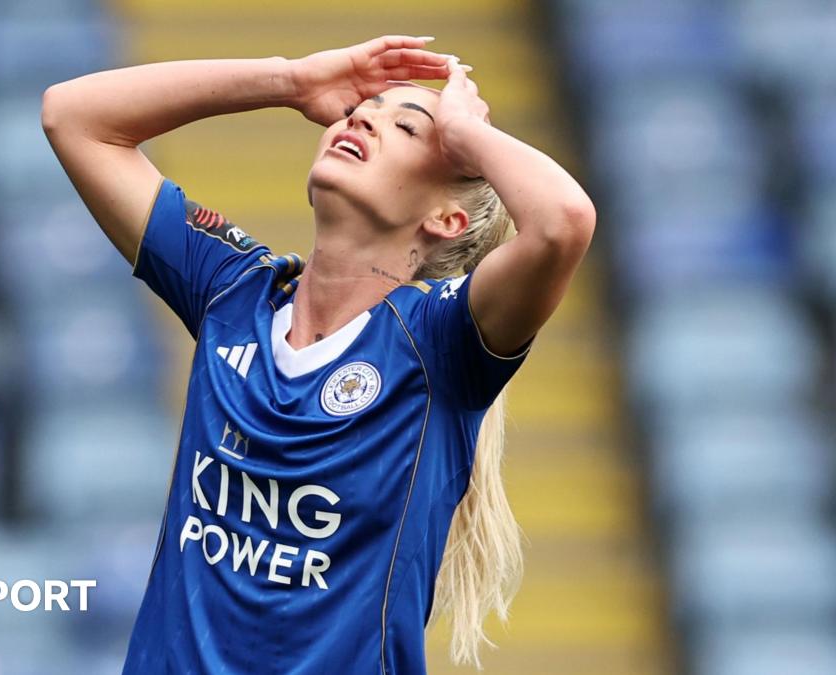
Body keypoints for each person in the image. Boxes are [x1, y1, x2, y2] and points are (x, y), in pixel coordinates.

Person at [41, 34, 595, 674]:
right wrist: (291, 81)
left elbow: (563, 222)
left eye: (408, 128)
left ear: (446, 220)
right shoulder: (233, 292)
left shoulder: (439, 343)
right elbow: (74, 116)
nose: (363, 120)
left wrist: (467, 133)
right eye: (360, 110)